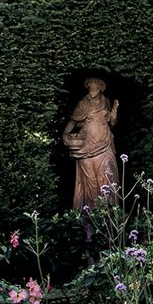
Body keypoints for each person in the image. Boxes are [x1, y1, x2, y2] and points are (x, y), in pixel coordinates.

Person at [62, 76, 120, 208]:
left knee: (108, 173)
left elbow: (112, 123)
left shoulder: (106, 101)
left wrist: (114, 114)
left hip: (105, 142)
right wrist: (65, 134)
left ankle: (109, 209)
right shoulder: (83, 103)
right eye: (90, 86)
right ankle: (91, 210)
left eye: (95, 86)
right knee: (90, 179)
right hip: (87, 145)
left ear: (101, 88)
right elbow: (73, 121)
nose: (92, 89)